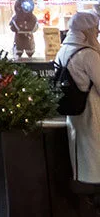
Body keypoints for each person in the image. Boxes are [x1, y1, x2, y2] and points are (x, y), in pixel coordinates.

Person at [57, 10, 100, 184]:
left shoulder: (64, 50)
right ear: (87, 30)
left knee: (81, 152)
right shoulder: (88, 54)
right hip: (92, 111)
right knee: (94, 153)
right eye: (95, 28)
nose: (97, 32)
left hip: (74, 113)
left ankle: (84, 186)